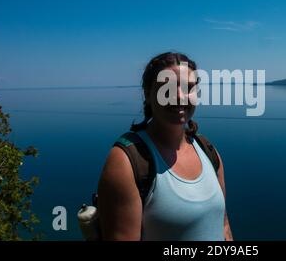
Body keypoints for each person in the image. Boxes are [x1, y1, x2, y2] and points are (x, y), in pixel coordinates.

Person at [97, 52, 233, 241]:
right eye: (166, 88)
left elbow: (224, 226)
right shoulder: (127, 161)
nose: (178, 95)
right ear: (148, 94)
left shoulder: (207, 150)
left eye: (188, 87)